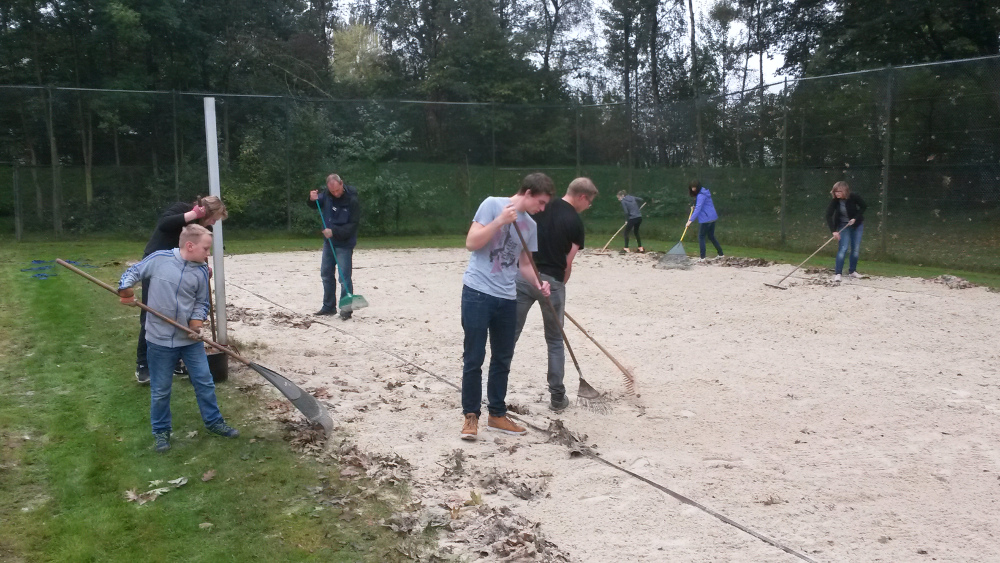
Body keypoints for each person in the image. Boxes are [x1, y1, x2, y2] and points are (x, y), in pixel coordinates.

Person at [118, 224, 239, 453]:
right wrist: (126, 290)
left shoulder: (201, 270)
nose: (207, 254)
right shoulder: (159, 259)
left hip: (190, 342)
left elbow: (201, 302)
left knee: (204, 383)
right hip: (159, 340)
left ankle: (214, 422)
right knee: (161, 390)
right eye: (205, 249)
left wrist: (196, 323)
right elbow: (132, 273)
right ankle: (161, 432)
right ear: (190, 245)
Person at [460, 173, 553, 441]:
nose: (542, 208)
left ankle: (497, 413)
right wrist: (500, 221)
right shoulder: (492, 205)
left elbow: (524, 264)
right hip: (477, 292)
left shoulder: (530, 226)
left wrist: (539, 283)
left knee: (502, 358)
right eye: (541, 202)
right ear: (527, 193)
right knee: (474, 356)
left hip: (506, 298)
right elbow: (471, 243)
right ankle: (471, 416)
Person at [514, 177, 597, 412]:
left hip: (523, 276)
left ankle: (493, 391)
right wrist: (558, 288)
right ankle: (558, 398)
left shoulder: (539, 205)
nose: (588, 206)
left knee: (510, 335)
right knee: (554, 340)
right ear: (582, 197)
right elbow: (567, 264)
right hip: (552, 282)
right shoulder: (575, 222)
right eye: (589, 202)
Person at [135, 196, 228, 384]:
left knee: (181, 313)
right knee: (151, 314)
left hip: (181, 271)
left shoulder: (204, 228)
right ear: (206, 212)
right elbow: (164, 225)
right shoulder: (182, 210)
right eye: (213, 218)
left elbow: (198, 250)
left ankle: (175, 361)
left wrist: (202, 266)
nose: (213, 223)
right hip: (156, 267)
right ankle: (143, 366)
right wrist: (193, 214)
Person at [308, 174, 361, 320]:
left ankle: (346, 310)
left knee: (344, 278)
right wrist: (312, 199)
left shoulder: (352, 200)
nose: (336, 194)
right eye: (333, 192)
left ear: (341, 184)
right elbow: (315, 204)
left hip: (344, 244)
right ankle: (328, 307)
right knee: (326, 274)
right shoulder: (326, 195)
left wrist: (334, 232)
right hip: (329, 243)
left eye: (337, 190)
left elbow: (353, 225)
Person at [825, 181, 867, 282]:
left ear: (845, 191)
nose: (837, 194)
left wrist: (855, 218)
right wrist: (834, 231)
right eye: (835, 192)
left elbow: (864, 206)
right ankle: (838, 273)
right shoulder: (835, 201)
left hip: (856, 225)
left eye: (839, 191)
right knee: (843, 248)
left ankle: (852, 271)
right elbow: (828, 215)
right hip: (843, 226)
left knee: (855, 248)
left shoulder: (854, 196)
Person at [686, 181, 724, 260]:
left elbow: (699, 208)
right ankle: (721, 254)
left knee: (701, 237)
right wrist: (695, 207)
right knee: (711, 236)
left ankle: (702, 258)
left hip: (706, 219)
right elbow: (703, 205)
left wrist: (690, 220)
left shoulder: (701, 195)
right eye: (692, 187)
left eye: (694, 187)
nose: (693, 189)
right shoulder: (705, 192)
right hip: (712, 217)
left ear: (698, 187)